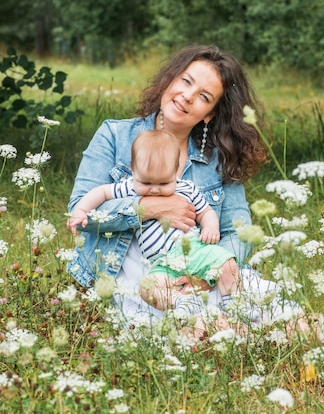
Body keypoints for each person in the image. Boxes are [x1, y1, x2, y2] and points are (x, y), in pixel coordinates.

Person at [66, 44, 300, 327]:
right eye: (185, 81)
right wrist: (148, 208)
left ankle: (228, 314)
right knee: (169, 321)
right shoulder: (115, 135)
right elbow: (80, 215)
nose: (187, 96)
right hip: (134, 271)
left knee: (280, 317)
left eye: (203, 96)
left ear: (209, 114)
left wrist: (205, 273)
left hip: (199, 266)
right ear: (170, 80)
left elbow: (238, 230)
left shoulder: (217, 158)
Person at [68, 129, 253, 320]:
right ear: (133, 170)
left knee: (227, 262)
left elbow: (205, 211)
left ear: (175, 171)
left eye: (164, 183)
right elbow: (102, 192)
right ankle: (181, 304)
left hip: (194, 250)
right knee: (147, 288)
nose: (154, 189)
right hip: (161, 263)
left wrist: (210, 227)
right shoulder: (131, 186)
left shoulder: (186, 188)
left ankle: (235, 302)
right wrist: (81, 211)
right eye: (146, 182)